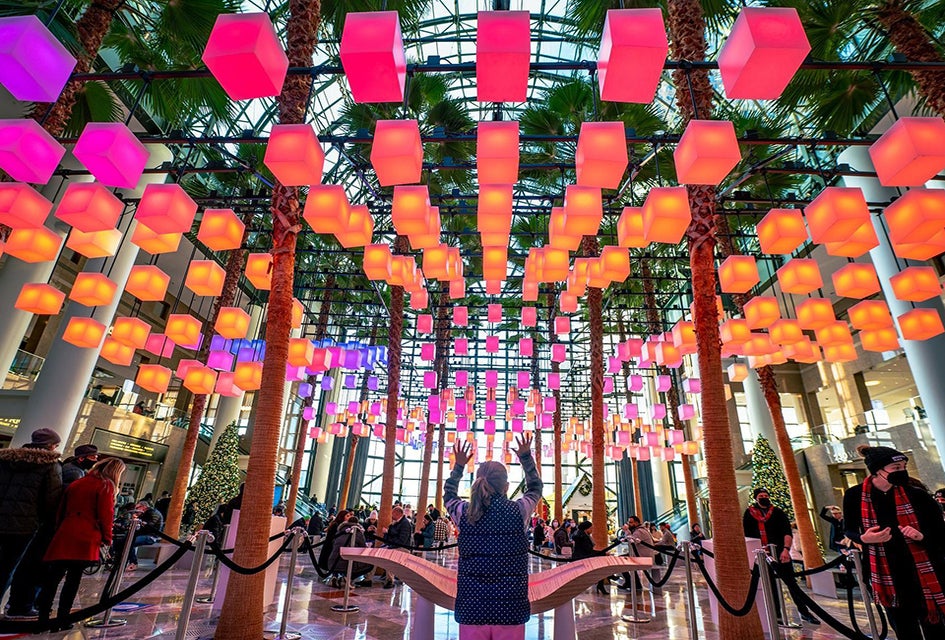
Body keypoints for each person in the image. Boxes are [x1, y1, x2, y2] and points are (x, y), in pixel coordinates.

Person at [445, 434, 542, 638]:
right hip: (510, 608)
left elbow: (449, 496)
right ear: (506, 487)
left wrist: (459, 466)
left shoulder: (464, 513)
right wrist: (526, 457)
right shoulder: (519, 511)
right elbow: (535, 489)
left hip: (472, 608)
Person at [843, 445, 945, 638]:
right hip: (887, 575)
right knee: (904, 629)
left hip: (923, 573)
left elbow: (940, 533)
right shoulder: (855, 496)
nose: (902, 471)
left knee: (935, 629)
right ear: (877, 471)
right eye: (896, 468)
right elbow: (848, 530)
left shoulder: (917, 494)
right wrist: (865, 538)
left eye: (903, 467)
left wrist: (920, 536)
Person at [38, 458, 125, 631]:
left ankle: (42, 618)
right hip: (85, 535)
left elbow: (61, 510)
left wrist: (61, 528)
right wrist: (108, 538)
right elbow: (106, 514)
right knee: (73, 579)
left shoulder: (78, 483)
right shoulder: (105, 486)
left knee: (52, 578)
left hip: (65, 532)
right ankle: (63, 618)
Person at [0, 428, 63, 612]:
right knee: (8, 569)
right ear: (51, 445)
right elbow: (51, 500)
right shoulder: (50, 465)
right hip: (24, 527)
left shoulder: (5, 460)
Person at [743, 487, 819, 625]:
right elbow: (747, 535)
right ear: (756, 498)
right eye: (761, 495)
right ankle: (776, 614)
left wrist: (786, 550)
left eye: (766, 495)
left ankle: (804, 611)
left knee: (791, 583)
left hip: (780, 553)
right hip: (761, 555)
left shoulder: (777, 512)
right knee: (770, 585)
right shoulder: (749, 514)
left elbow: (786, 531)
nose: (764, 497)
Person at [571, 520, 609, 595]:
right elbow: (587, 550)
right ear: (586, 529)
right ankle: (602, 583)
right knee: (601, 568)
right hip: (583, 558)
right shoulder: (583, 537)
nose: (592, 530)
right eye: (591, 528)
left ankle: (602, 583)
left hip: (582, 556)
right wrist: (603, 553)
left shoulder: (582, 535)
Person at [381, 506, 414, 588]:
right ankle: (368, 579)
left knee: (389, 557)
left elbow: (402, 541)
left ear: (397, 513)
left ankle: (390, 580)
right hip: (394, 545)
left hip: (402, 548)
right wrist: (387, 534)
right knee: (377, 552)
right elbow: (388, 538)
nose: (391, 515)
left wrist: (389, 535)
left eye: (393, 513)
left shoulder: (405, 524)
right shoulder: (395, 523)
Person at [621, 516, 655, 592]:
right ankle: (633, 583)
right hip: (641, 554)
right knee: (623, 558)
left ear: (636, 523)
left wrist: (626, 530)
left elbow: (631, 540)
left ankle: (633, 583)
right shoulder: (639, 530)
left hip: (644, 557)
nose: (628, 524)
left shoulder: (639, 531)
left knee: (621, 560)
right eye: (628, 522)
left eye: (630, 522)